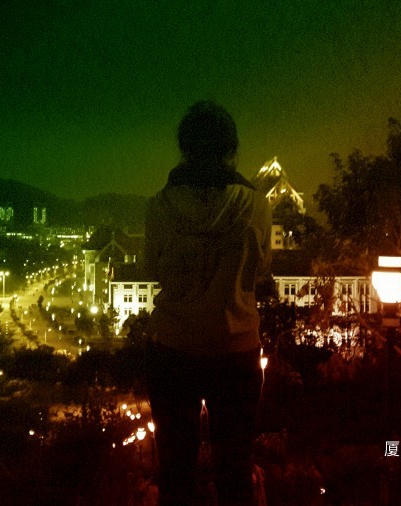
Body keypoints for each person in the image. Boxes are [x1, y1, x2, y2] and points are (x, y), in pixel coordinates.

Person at [144, 101, 272, 505]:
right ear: (231, 149)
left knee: (175, 472)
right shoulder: (257, 205)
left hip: (174, 348)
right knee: (235, 471)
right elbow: (260, 272)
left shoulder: (159, 206)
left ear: (185, 148)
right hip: (236, 348)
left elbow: (153, 270)